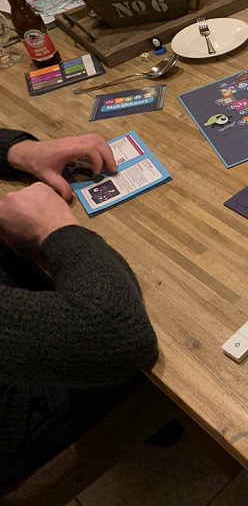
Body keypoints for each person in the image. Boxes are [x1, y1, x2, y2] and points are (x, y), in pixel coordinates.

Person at [0, 129, 158, 487]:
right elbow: (115, 334)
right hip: (15, 419)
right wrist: (55, 227)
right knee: (170, 339)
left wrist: (20, 151)